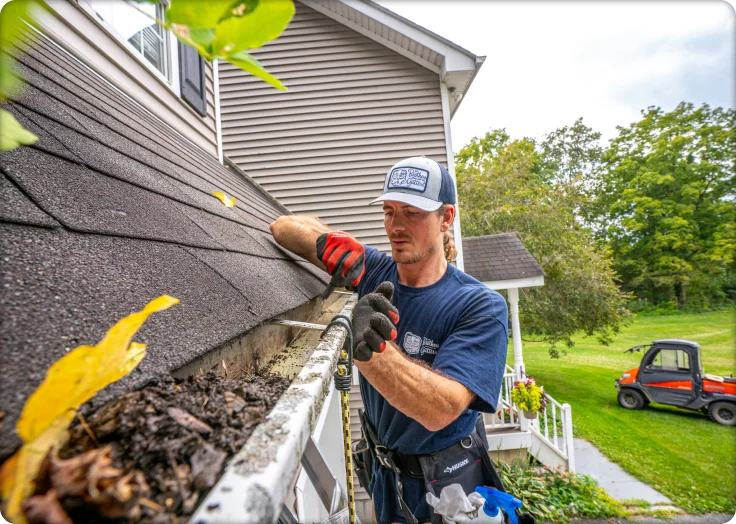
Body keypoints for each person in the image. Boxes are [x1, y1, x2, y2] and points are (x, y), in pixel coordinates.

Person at [270, 157, 510, 524]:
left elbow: (441, 409)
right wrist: (329, 241)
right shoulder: (372, 271)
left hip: (445, 486)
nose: (396, 226)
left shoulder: (479, 305)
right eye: (389, 210)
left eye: (412, 213)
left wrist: (369, 349)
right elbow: (283, 227)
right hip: (385, 475)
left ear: (446, 218)